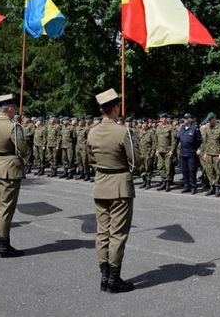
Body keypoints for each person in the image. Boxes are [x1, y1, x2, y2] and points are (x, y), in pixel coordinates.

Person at [87, 88, 141, 293]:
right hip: (120, 185)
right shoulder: (123, 131)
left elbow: (90, 159)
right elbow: (137, 161)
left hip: (101, 184)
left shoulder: (92, 131)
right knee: (117, 234)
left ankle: (104, 276)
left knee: (102, 232)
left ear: (102, 109)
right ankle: (114, 280)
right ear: (116, 107)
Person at [0, 94, 30, 257]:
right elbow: (22, 149)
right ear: (10, 108)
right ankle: (5, 246)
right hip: (10, 169)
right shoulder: (14, 127)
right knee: (6, 209)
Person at [178, 113, 202, 194]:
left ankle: (193, 187)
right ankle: (187, 186)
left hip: (191, 152)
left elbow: (199, 140)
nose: (183, 120)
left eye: (185, 119)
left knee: (192, 171)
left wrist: (198, 149)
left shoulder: (195, 128)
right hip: (183, 152)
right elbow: (180, 140)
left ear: (189, 120)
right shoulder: (182, 128)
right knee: (185, 171)